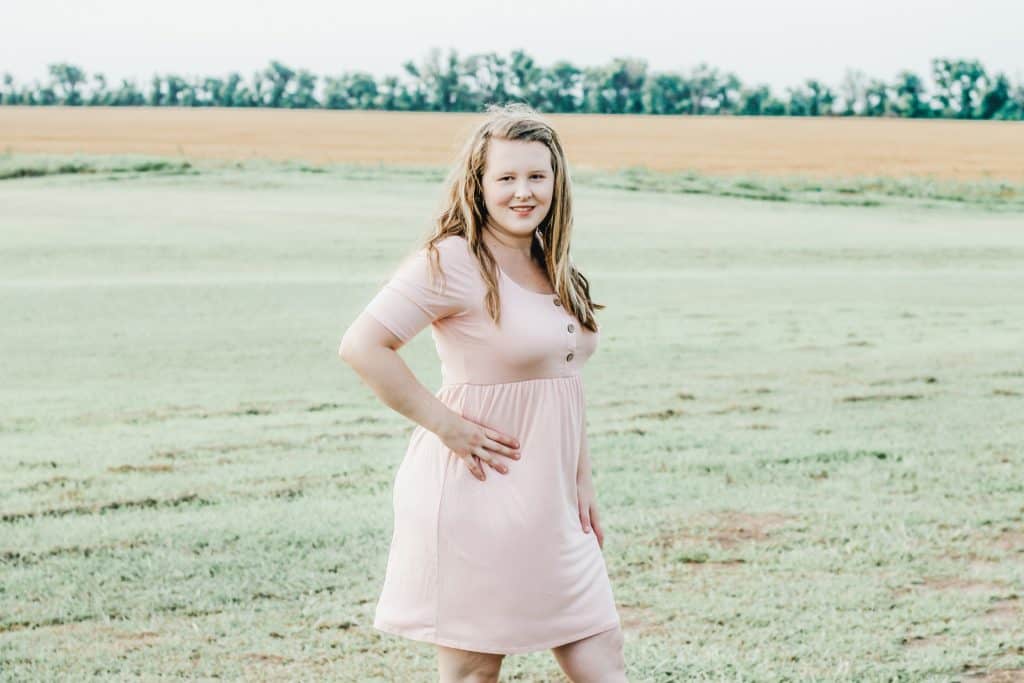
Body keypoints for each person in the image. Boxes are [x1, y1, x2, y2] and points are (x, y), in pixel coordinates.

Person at [338, 103, 627, 683]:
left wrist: (581, 480)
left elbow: (563, 387)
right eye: (507, 177)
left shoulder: (554, 264)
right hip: (477, 498)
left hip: (554, 506)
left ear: (556, 182)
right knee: (474, 673)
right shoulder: (450, 260)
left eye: (536, 176)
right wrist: (448, 425)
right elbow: (363, 345)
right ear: (480, 184)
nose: (524, 192)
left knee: (603, 658)